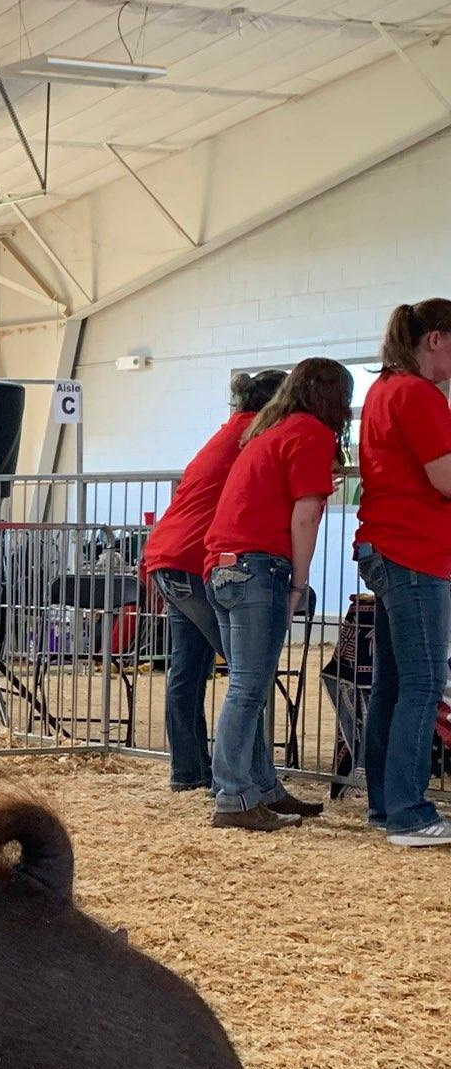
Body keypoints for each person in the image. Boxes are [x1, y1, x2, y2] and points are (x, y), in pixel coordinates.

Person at [202, 358, 352, 833]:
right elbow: (304, 516)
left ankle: (262, 788)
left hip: (223, 565)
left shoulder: (270, 430)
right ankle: (232, 796)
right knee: (248, 686)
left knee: (251, 684)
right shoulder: (310, 433)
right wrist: (299, 583)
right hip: (258, 565)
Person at [142, 369, 293, 796]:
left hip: (169, 556)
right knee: (248, 675)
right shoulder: (257, 438)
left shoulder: (229, 432)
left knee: (188, 670)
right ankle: (247, 783)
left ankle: (190, 772)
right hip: (193, 559)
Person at [352, 297, 451, 847]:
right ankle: (410, 813)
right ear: (435, 339)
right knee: (423, 681)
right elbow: (444, 478)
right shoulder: (420, 394)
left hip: (389, 546)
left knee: (395, 683)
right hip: (413, 550)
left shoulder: (385, 390)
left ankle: (388, 805)